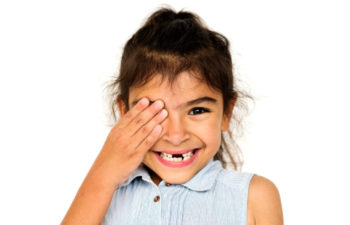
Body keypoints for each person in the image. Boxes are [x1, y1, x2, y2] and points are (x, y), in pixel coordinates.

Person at [61, 7, 283, 225]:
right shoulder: (105, 194)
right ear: (125, 113)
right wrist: (103, 175)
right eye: (155, 112)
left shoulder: (254, 197)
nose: (176, 135)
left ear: (226, 113)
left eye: (197, 111)